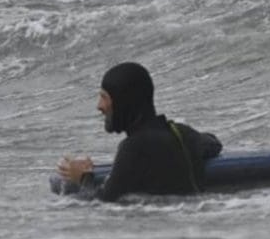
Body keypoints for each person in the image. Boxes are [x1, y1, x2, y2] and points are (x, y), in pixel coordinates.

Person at [56, 62, 223, 202]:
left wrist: (82, 178)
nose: (99, 106)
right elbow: (214, 144)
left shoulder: (134, 147)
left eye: (104, 97)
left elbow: (102, 203)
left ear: (124, 102)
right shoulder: (182, 133)